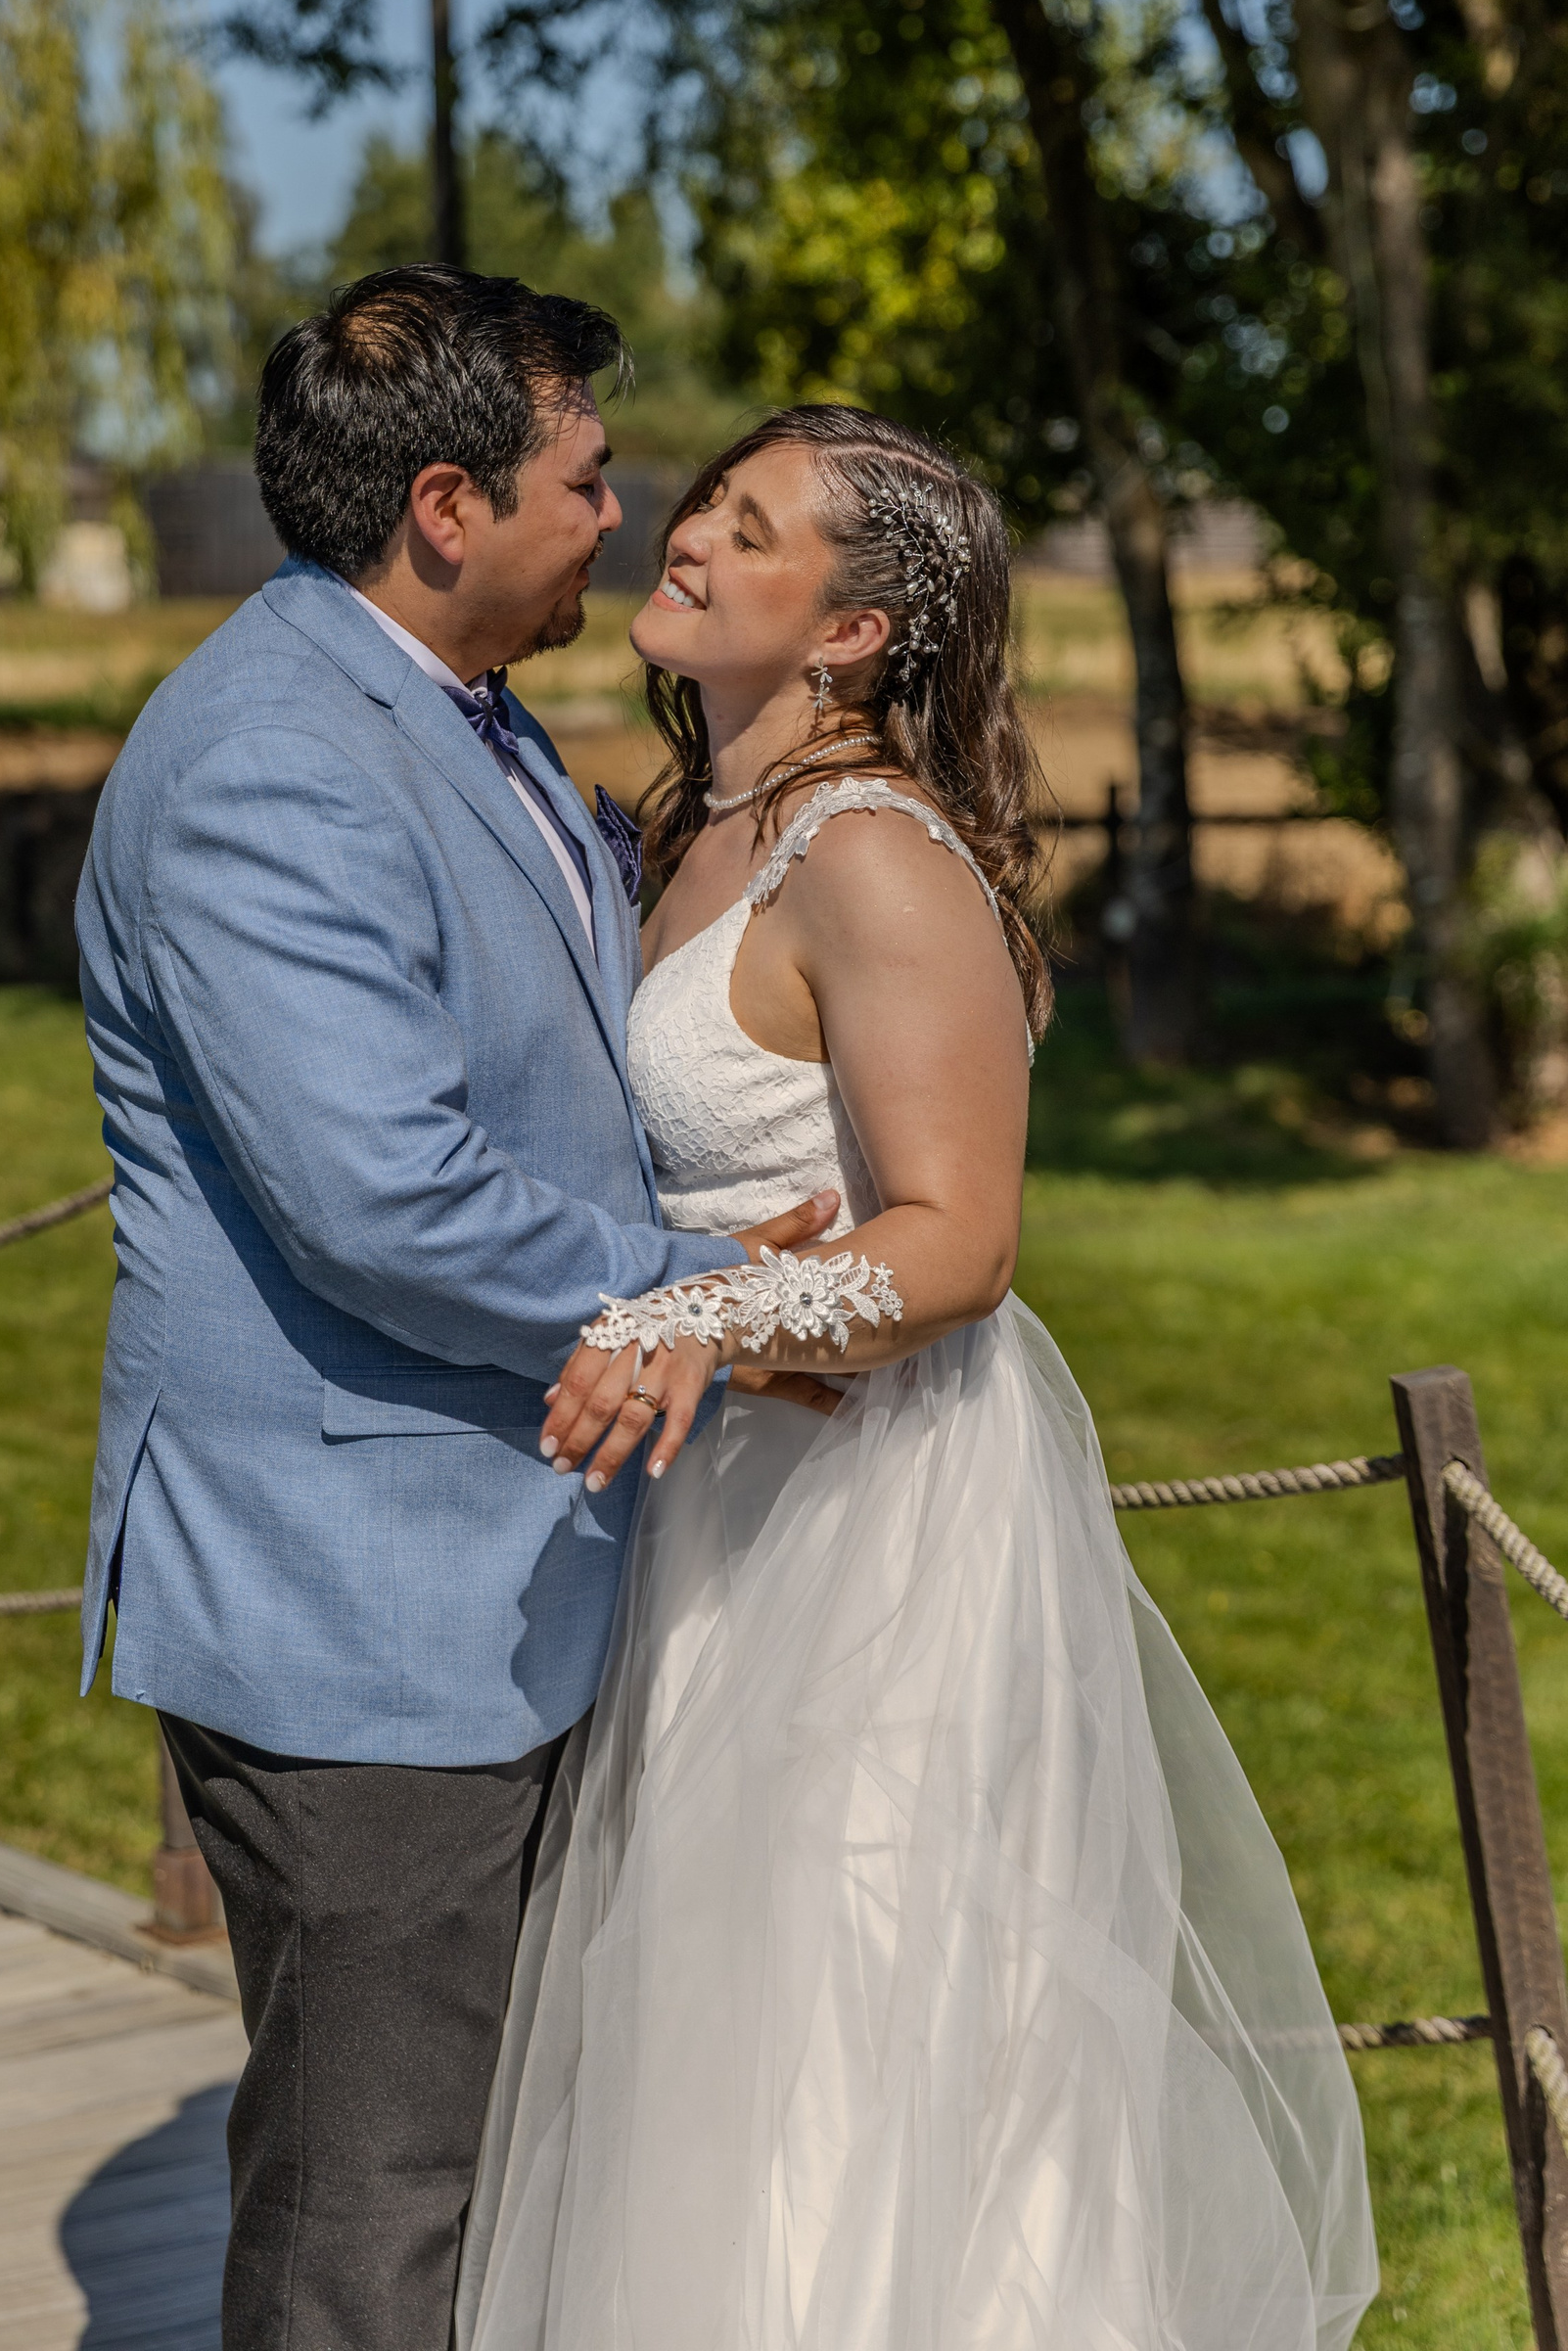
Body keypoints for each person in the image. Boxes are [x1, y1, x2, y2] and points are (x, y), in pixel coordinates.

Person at [457, 405, 1378, 2351]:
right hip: (719, 1499)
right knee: (705, 2021)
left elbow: (960, 1242)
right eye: (708, 503)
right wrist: (691, 1297)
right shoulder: (685, 829)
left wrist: (697, 1319)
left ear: (855, 632)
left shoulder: (868, 855)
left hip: (872, 1517)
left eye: (753, 528)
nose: (688, 535)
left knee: (846, 2010)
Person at [73, 271, 835, 2351]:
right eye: (584, 477)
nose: (621, 515)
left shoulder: (453, 709)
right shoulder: (271, 763)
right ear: (443, 505)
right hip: (362, 1599)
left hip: (508, 1556)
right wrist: (720, 1298)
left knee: (490, 2175)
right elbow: (383, 1202)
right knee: (378, 2216)